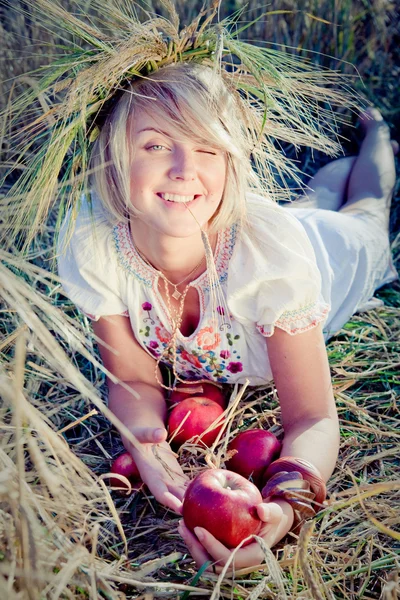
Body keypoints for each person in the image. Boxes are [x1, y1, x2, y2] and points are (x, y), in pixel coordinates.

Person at [56, 61, 397, 572]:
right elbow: (130, 379)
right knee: (318, 198)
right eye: (154, 144)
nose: (182, 168)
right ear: (113, 157)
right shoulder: (94, 240)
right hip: (261, 219)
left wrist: (286, 506)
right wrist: (146, 441)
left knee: (365, 209)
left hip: (330, 256)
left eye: (206, 147)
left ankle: (378, 136)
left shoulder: (273, 261)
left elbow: (313, 417)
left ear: (230, 163)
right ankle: (335, 176)